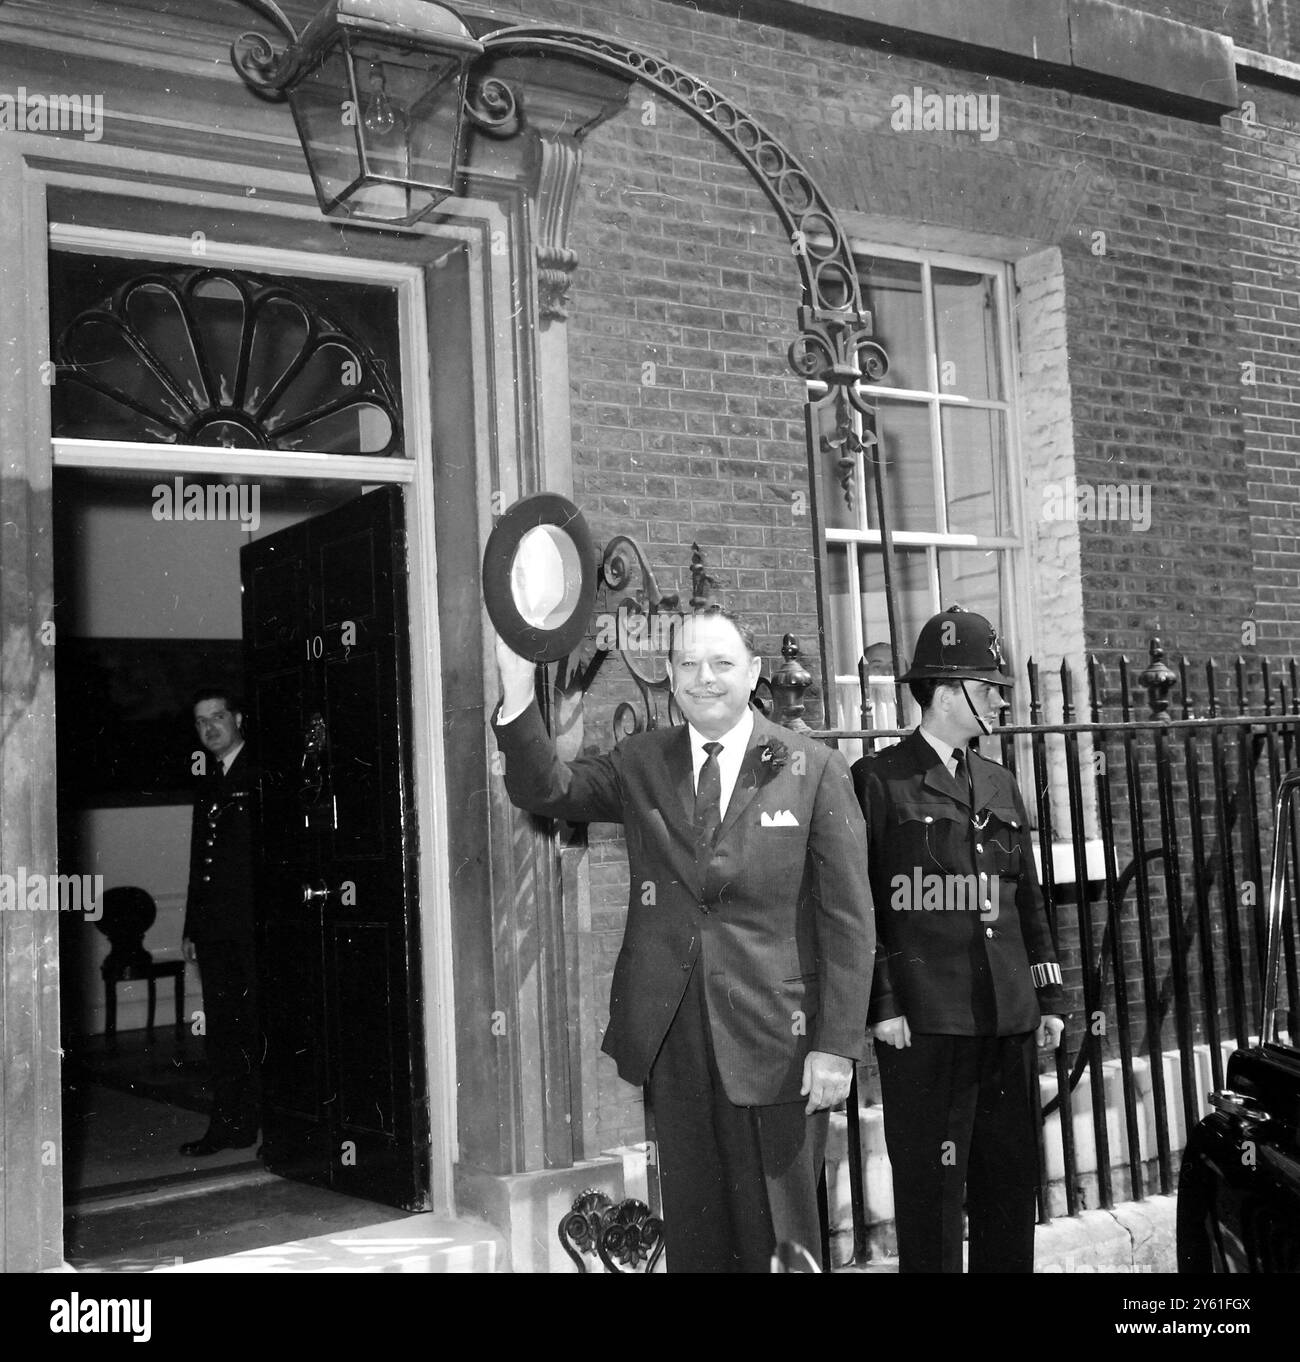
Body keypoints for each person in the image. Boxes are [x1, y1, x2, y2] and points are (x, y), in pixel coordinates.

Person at [492, 604, 875, 1272]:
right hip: (677, 1046)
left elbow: (849, 920)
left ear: (753, 672)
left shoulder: (812, 768)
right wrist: (518, 690)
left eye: (722, 663)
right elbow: (547, 787)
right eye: (689, 664)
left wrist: (837, 1047)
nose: (705, 678)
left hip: (779, 1050)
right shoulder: (643, 761)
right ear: (669, 675)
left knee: (781, 1246)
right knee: (698, 1244)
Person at [850, 606, 1066, 1273]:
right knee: (933, 1204)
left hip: (1006, 1021)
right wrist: (882, 1005)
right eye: (990, 686)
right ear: (948, 694)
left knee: (1009, 1195)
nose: (1002, 697)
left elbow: (1026, 898)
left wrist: (1051, 997)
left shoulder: (1000, 781)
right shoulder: (879, 781)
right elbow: (860, 905)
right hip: (926, 1029)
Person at [178, 687, 261, 1157]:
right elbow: (199, 861)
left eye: (218, 717)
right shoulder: (208, 779)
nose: (210, 728)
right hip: (215, 932)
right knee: (224, 1032)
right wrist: (192, 925)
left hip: (252, 929)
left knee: (256, 1029)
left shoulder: (259, 772)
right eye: (201, 721)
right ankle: (229, 1126)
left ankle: (276, 1129)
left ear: (238, 719)